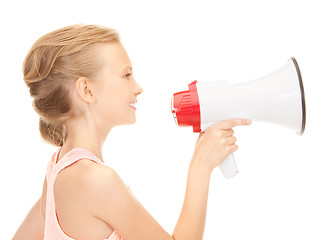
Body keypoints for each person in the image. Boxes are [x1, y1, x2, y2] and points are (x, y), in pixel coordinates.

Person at [12, 24, 251, 240]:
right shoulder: (96, 180)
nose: (138, 88)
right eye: (126, 75)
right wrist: (201, 165)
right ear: (87, 90)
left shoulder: (56, 167)